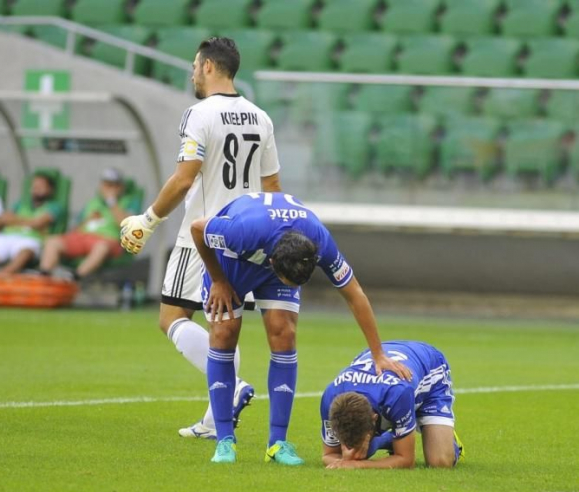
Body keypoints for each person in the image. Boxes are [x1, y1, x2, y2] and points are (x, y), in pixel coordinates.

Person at [120, 37, 283, 439]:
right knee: (223, 324)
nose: (192, 72)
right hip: (246, 238)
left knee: (172, 318)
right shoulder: (260, 117)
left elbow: (184, 178)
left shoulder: (199, 114)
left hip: (203, 235)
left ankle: (233, 390)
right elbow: (273, 186)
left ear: (209, 67)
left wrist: (149, 220)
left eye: (195, 65)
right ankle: (216, 420)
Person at [189, 192, 412, 465]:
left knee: (285, 334)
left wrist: (378, 353)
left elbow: (355, 295)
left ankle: (278, 443)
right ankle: (224, 440)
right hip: (231, 262)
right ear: (273, 264)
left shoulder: (319, 242)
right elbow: (197, 228)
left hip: (280, 254)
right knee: (224, 332)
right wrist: (218, 281)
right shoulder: (240, 232)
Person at [320, 340, 464, 470]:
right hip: (387, 376)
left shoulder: (397, 394)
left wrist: (358, 464)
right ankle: (393, 437)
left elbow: (407, 461)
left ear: (374, 418)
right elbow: (329, 454)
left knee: (439, 463)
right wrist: (345, 459)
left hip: (430, 370)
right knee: (359, 452)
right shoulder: (331, 398)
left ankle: (446, 437)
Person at [39, 168, 137, 280]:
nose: (109, 188)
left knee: (101, 247)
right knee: (52, 242)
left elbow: (127, 226)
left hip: (107, 240)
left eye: (113, 185)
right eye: (106, 184)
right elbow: (76, 227)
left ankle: (74, 277)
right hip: (83, 237)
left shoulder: (129, 202)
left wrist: (112, 201)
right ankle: (44, 278)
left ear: (120, 187)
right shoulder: (93, 202)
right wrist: (88, 220)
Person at [0, 173, 61, 274]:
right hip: (5, 237)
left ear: (50, 189)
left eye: (41, 186)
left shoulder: (55, 207)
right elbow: (2, 218)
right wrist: (29, 222)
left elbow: (38, 223)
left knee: (22, 257)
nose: (36, 188)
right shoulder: (20, 204)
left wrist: (15, 220)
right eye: (34, 186)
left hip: (30, 239)